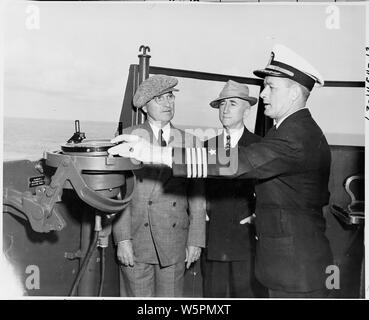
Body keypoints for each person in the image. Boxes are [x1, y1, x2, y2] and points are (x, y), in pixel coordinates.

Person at [109, 44, 334, 298]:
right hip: (289, 263)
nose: (263, 95)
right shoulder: (288, 131)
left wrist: (154, 153)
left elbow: (235, 162)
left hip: (296, 271)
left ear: (294, 94)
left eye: (271, 87)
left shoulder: (296, 136)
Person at [112, 74, 206, 297]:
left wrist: (195, 240)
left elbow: (198, 198)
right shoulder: (127, 137)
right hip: (135, 239)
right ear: (144, 107)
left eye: (170, 97)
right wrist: (122, 239)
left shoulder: (191, 142)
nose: (167, 103)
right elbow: (118, 194)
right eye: (159, 98)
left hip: (174, 242)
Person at [202, 80, 265, 297]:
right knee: (213, 295)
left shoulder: (260, 146)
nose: (226, 109)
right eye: (223, 104)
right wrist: (203, 209)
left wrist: (258, 216)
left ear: (247, 110)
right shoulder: (207, 146)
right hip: (214, 235)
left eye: (233, 104)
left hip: (246, 236)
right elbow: (199, 187)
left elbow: (270, 189)